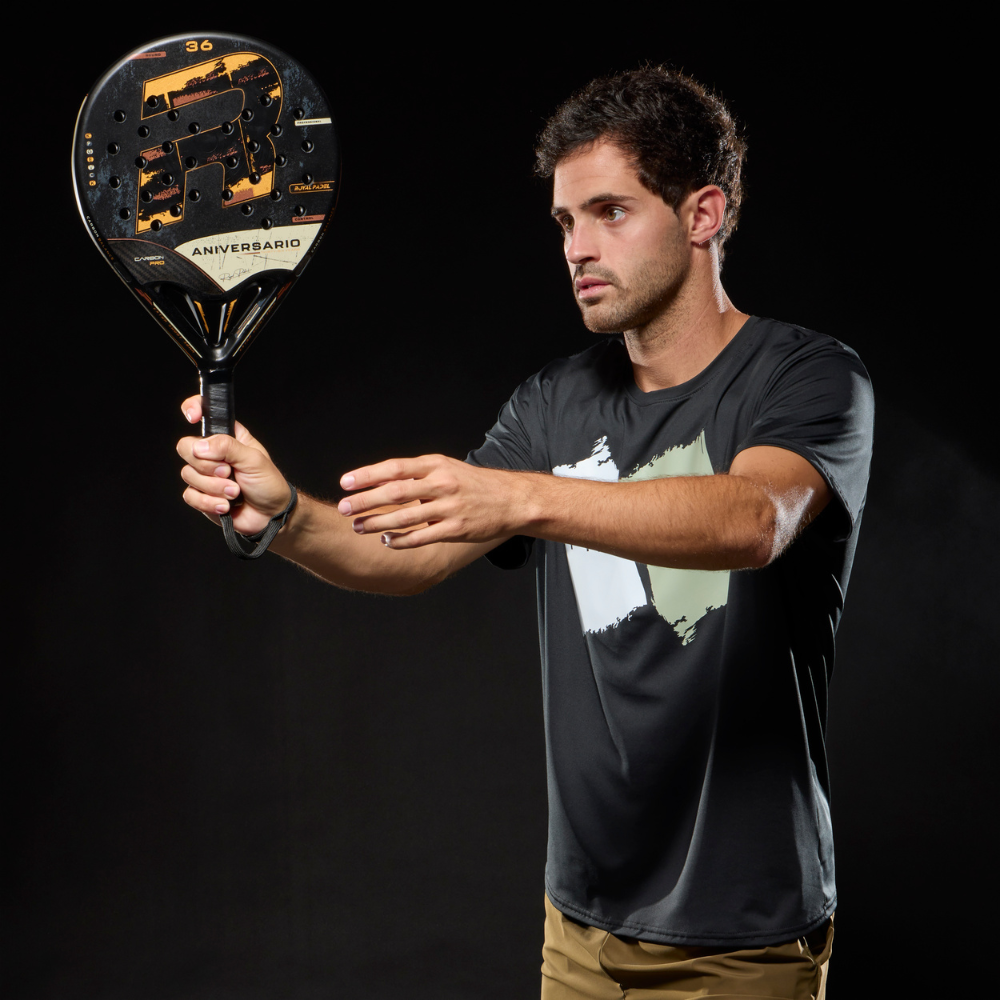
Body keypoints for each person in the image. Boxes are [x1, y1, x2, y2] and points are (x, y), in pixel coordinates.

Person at [177, 66, 873, 1000]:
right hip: (579, 927)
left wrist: (522, 499)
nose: (578, 247)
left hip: (741, 934)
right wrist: (287, 518)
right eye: (564, 222)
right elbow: (406, 558)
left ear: (703, 214)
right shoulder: (554, 402)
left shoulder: (808, 377)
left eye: (610, 213)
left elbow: (753, 520)